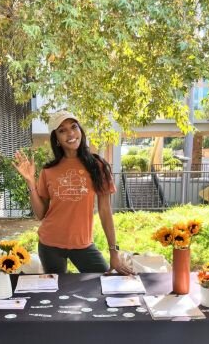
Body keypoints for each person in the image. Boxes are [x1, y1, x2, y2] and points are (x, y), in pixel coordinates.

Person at [12, 110, 133, 275]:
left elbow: (105, 211)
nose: (70, 133)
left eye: (73, 127)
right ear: (57, 139)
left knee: (102, 282)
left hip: (83, 246)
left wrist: (114, 252)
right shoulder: (49, 171)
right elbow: (41, 214)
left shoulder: (98, 166)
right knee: (56, 293)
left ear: (80, 131)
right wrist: (31, 182)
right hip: (50, 244)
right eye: (62, 130)